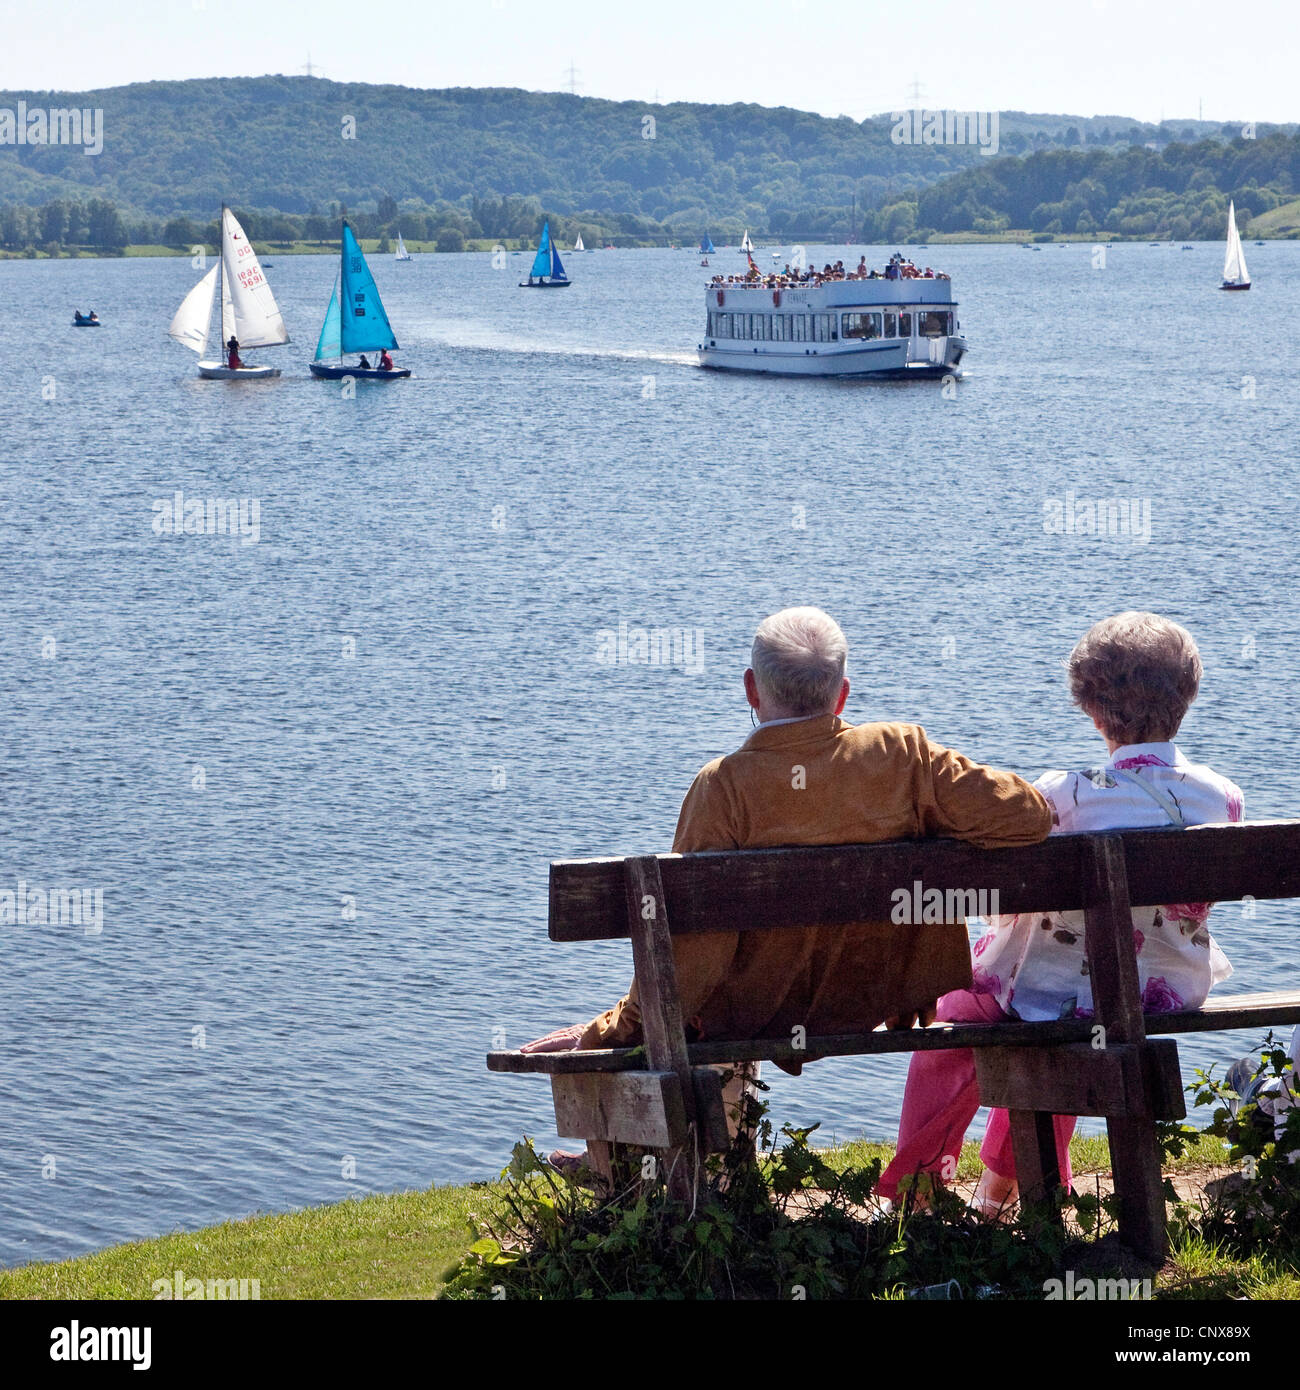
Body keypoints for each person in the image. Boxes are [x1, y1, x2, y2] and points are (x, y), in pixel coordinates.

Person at [521, 607, 1054, 1167]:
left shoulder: (723, 788)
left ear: (752, 689)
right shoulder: (902, 755)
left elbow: (692, 961)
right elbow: (1027, 817)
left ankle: (636, 1174)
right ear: (842, 694)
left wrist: (613, 1027)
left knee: (682, 1014)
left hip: (758, 1011)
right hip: (867, 997)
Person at [877, 612, 1245, 1216]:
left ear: (1092, 710)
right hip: (1164, 992)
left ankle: (918, 1189)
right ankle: (1001, 1187)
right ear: (1186, 699)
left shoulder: (1063, 795)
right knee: (1083, 1005)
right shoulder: (1222, 797)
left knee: (964, 1019)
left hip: (1055, 993)